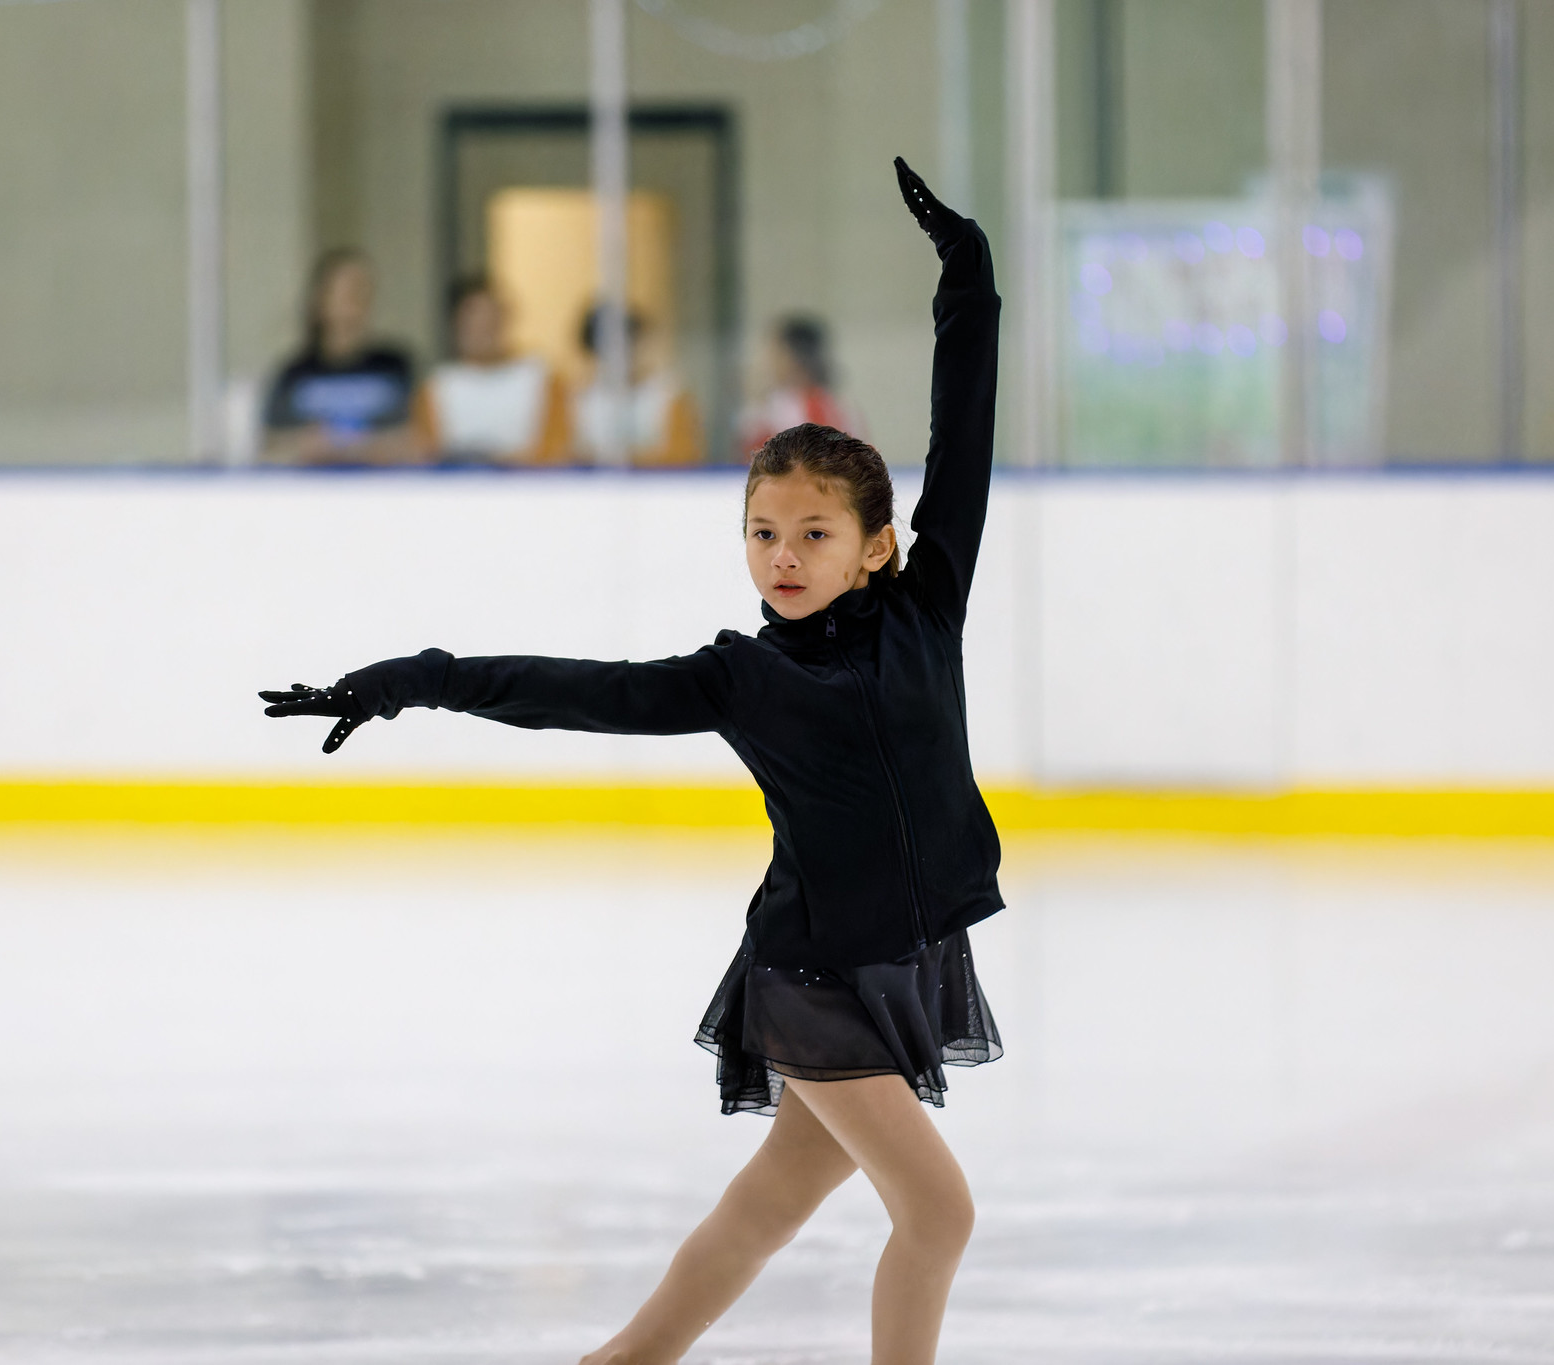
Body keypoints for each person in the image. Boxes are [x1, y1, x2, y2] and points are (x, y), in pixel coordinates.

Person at [261, 159, 1001, 1365]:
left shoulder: (929, 608)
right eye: (761, 533)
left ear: (877, 547)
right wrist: (410, 679)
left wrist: (966, 278)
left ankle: (621, 1361)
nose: (781, 556)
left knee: (769, 1203)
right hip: (814, 974)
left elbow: (961, 428)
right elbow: (563, 693)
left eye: (813, 534)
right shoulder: (741, 676)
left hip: (903, 959)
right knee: (937, 1210)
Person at [260, 249, 416, 465]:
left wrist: (363, 448)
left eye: (362, 290)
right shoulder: (294, 375)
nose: (355, 301)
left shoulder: (395, 367)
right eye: (346, 291)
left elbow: (418, 441)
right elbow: (270, 447)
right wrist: (303, 446)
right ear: (321, 299)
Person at [414, 274, 572, 465]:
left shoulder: (543, 379)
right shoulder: (436, 388)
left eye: (490, 319)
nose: (482, 329)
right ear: (456, 324)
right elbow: (429, 454)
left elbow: (556, 450)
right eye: (472, 320)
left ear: (505, 319)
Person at [572, 304, 704, 466]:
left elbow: (684, 456)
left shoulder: (669, 395)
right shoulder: (582, 398)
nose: (615, 362)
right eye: (602, 354)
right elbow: (567, 458)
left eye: (625, 348)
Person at [738, 313, 864, 456]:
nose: (769, 362)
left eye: (775, 353)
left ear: (793, 357)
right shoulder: (842, 406)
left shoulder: (789, 407)